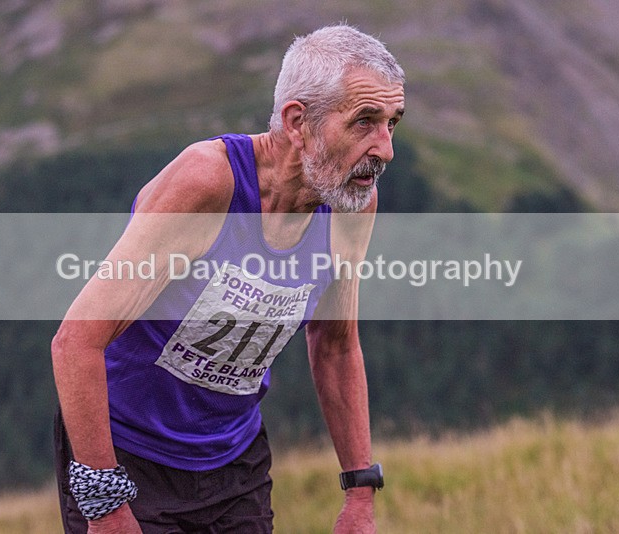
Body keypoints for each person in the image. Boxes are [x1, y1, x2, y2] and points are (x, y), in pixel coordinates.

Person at [51, 23, 405, 533]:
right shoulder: (207, 181)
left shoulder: (352, 204)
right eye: (365, 122)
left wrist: (360, 493)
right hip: (126, 456)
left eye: (393, 123)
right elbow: (74, 343)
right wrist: (106, 507)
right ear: (297, 121)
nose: (385, 148)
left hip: (234, 465)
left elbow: (335, 343)